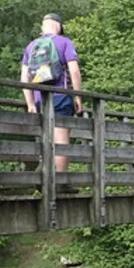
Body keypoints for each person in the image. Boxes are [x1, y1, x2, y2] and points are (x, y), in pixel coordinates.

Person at [21, 13, 83, 173]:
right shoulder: (64, 42)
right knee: (61, 137)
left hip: (39, 98)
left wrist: (30, 104)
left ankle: (45, 175)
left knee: (46, 136)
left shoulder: (31, 46)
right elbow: (74, 71)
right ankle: (60, 180)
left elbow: (24, 78)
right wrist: (78, 97)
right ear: (59, 26)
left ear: (43, 27)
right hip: (60, 95)